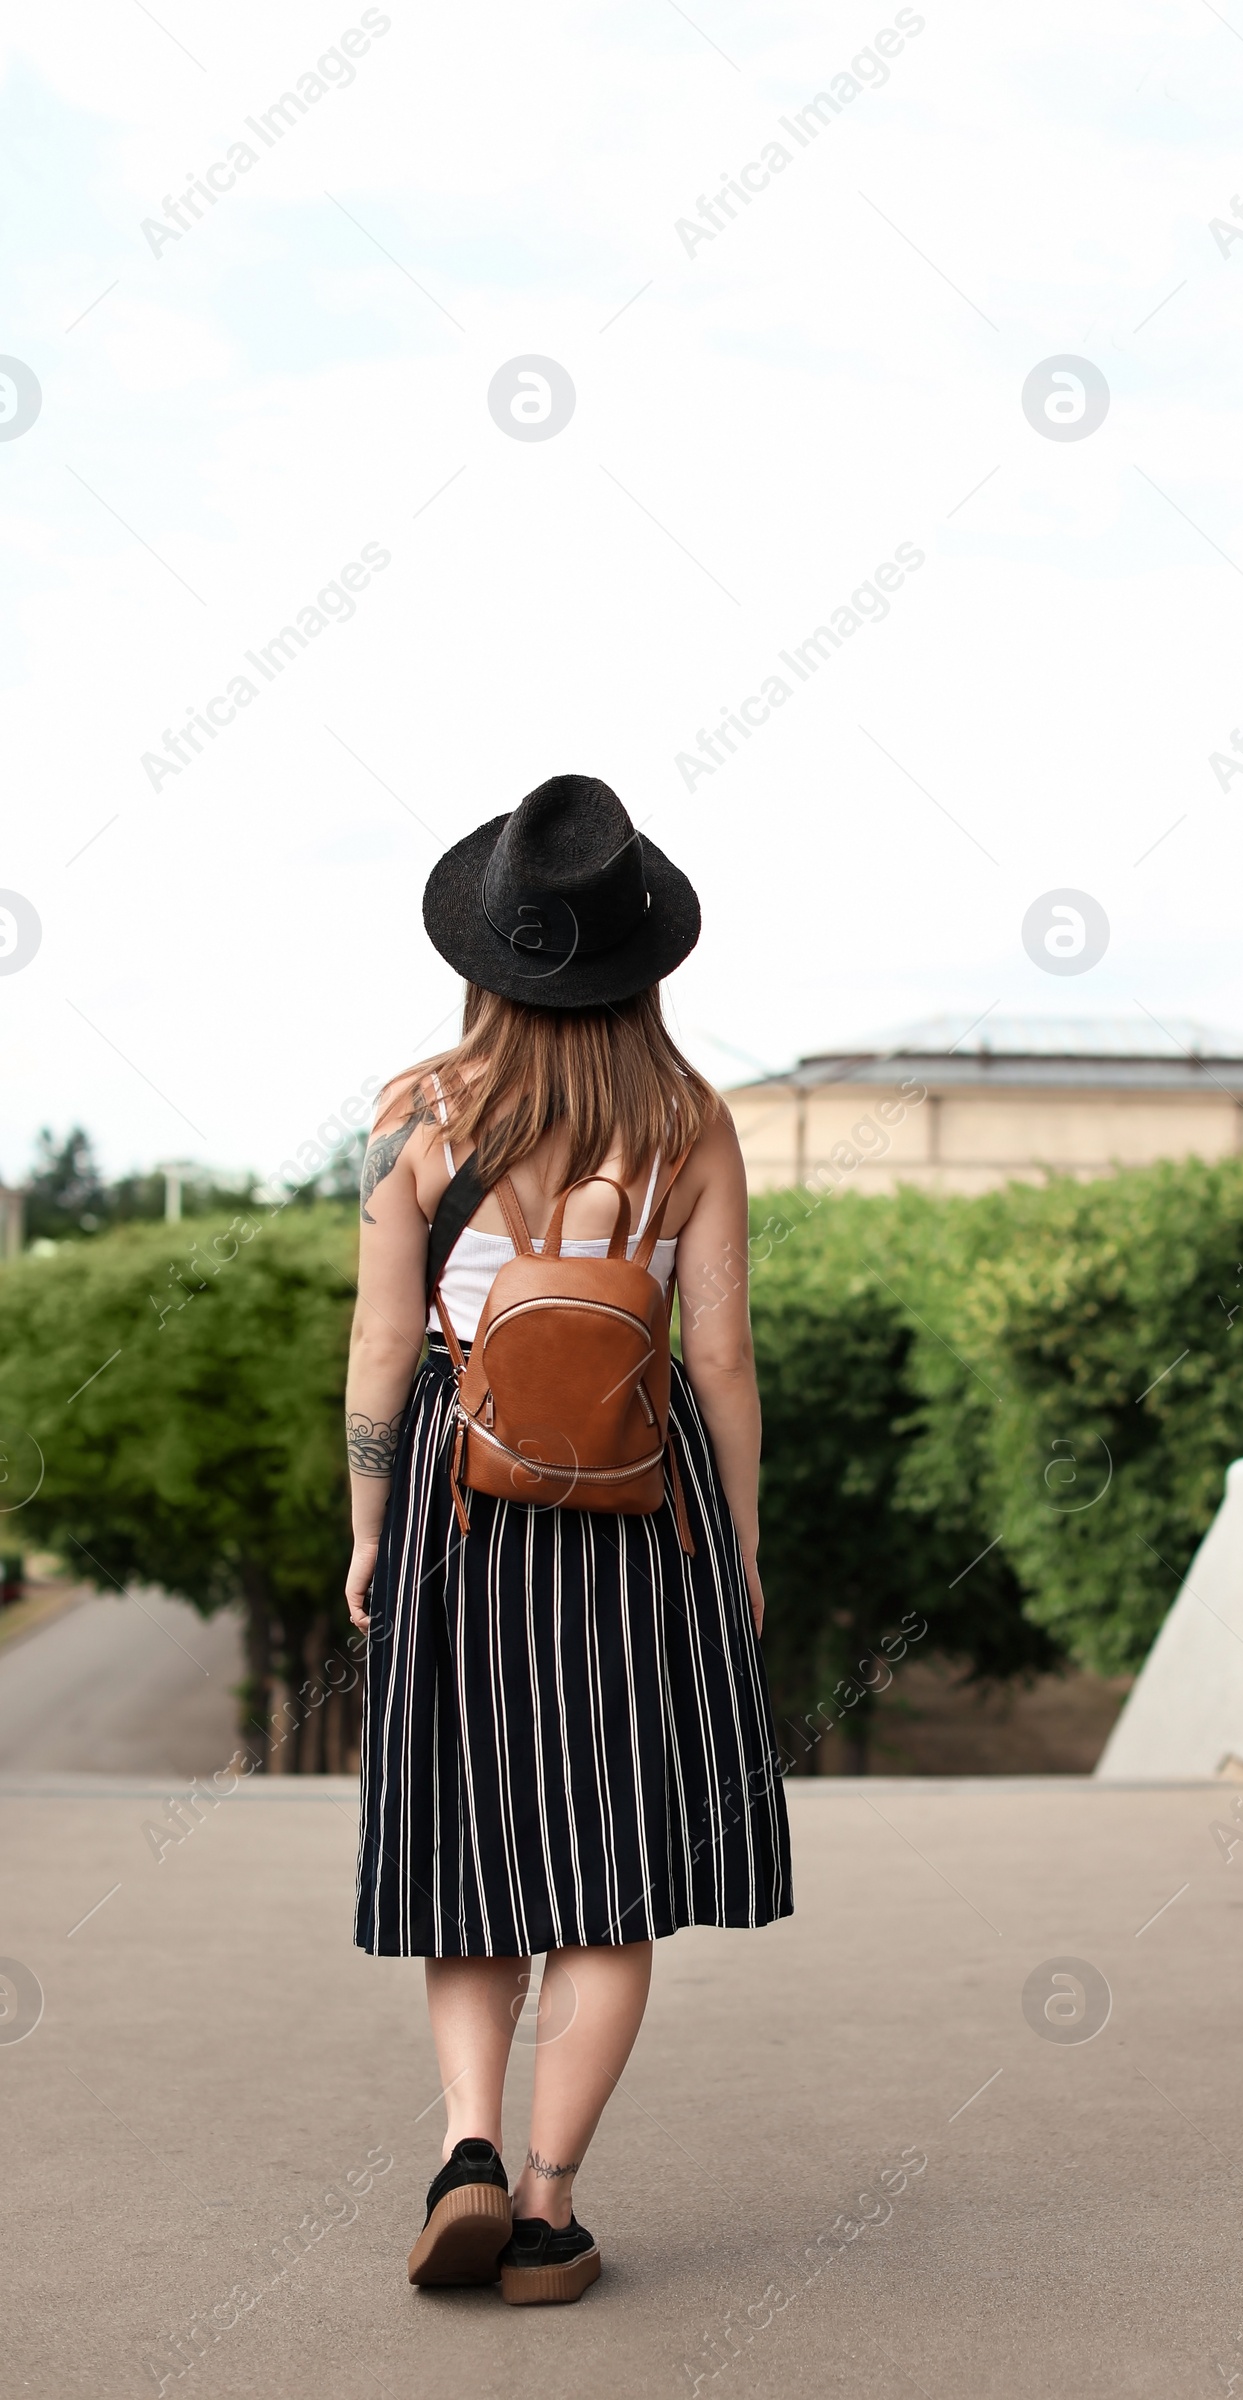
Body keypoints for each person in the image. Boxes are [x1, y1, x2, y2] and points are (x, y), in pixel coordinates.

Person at [344, 774, 792, 2305]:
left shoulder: (412, 1113)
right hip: (638, 1516)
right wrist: (734, 1540)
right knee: (609, 1874)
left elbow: (381, 1344)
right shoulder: (690, 1120)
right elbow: (722, 1358)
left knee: (467, 1845)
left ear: (487, 954)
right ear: (639, 958)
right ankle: (545, 2211)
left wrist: (366, 1522)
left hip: (459, 1509)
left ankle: (464, 2145)